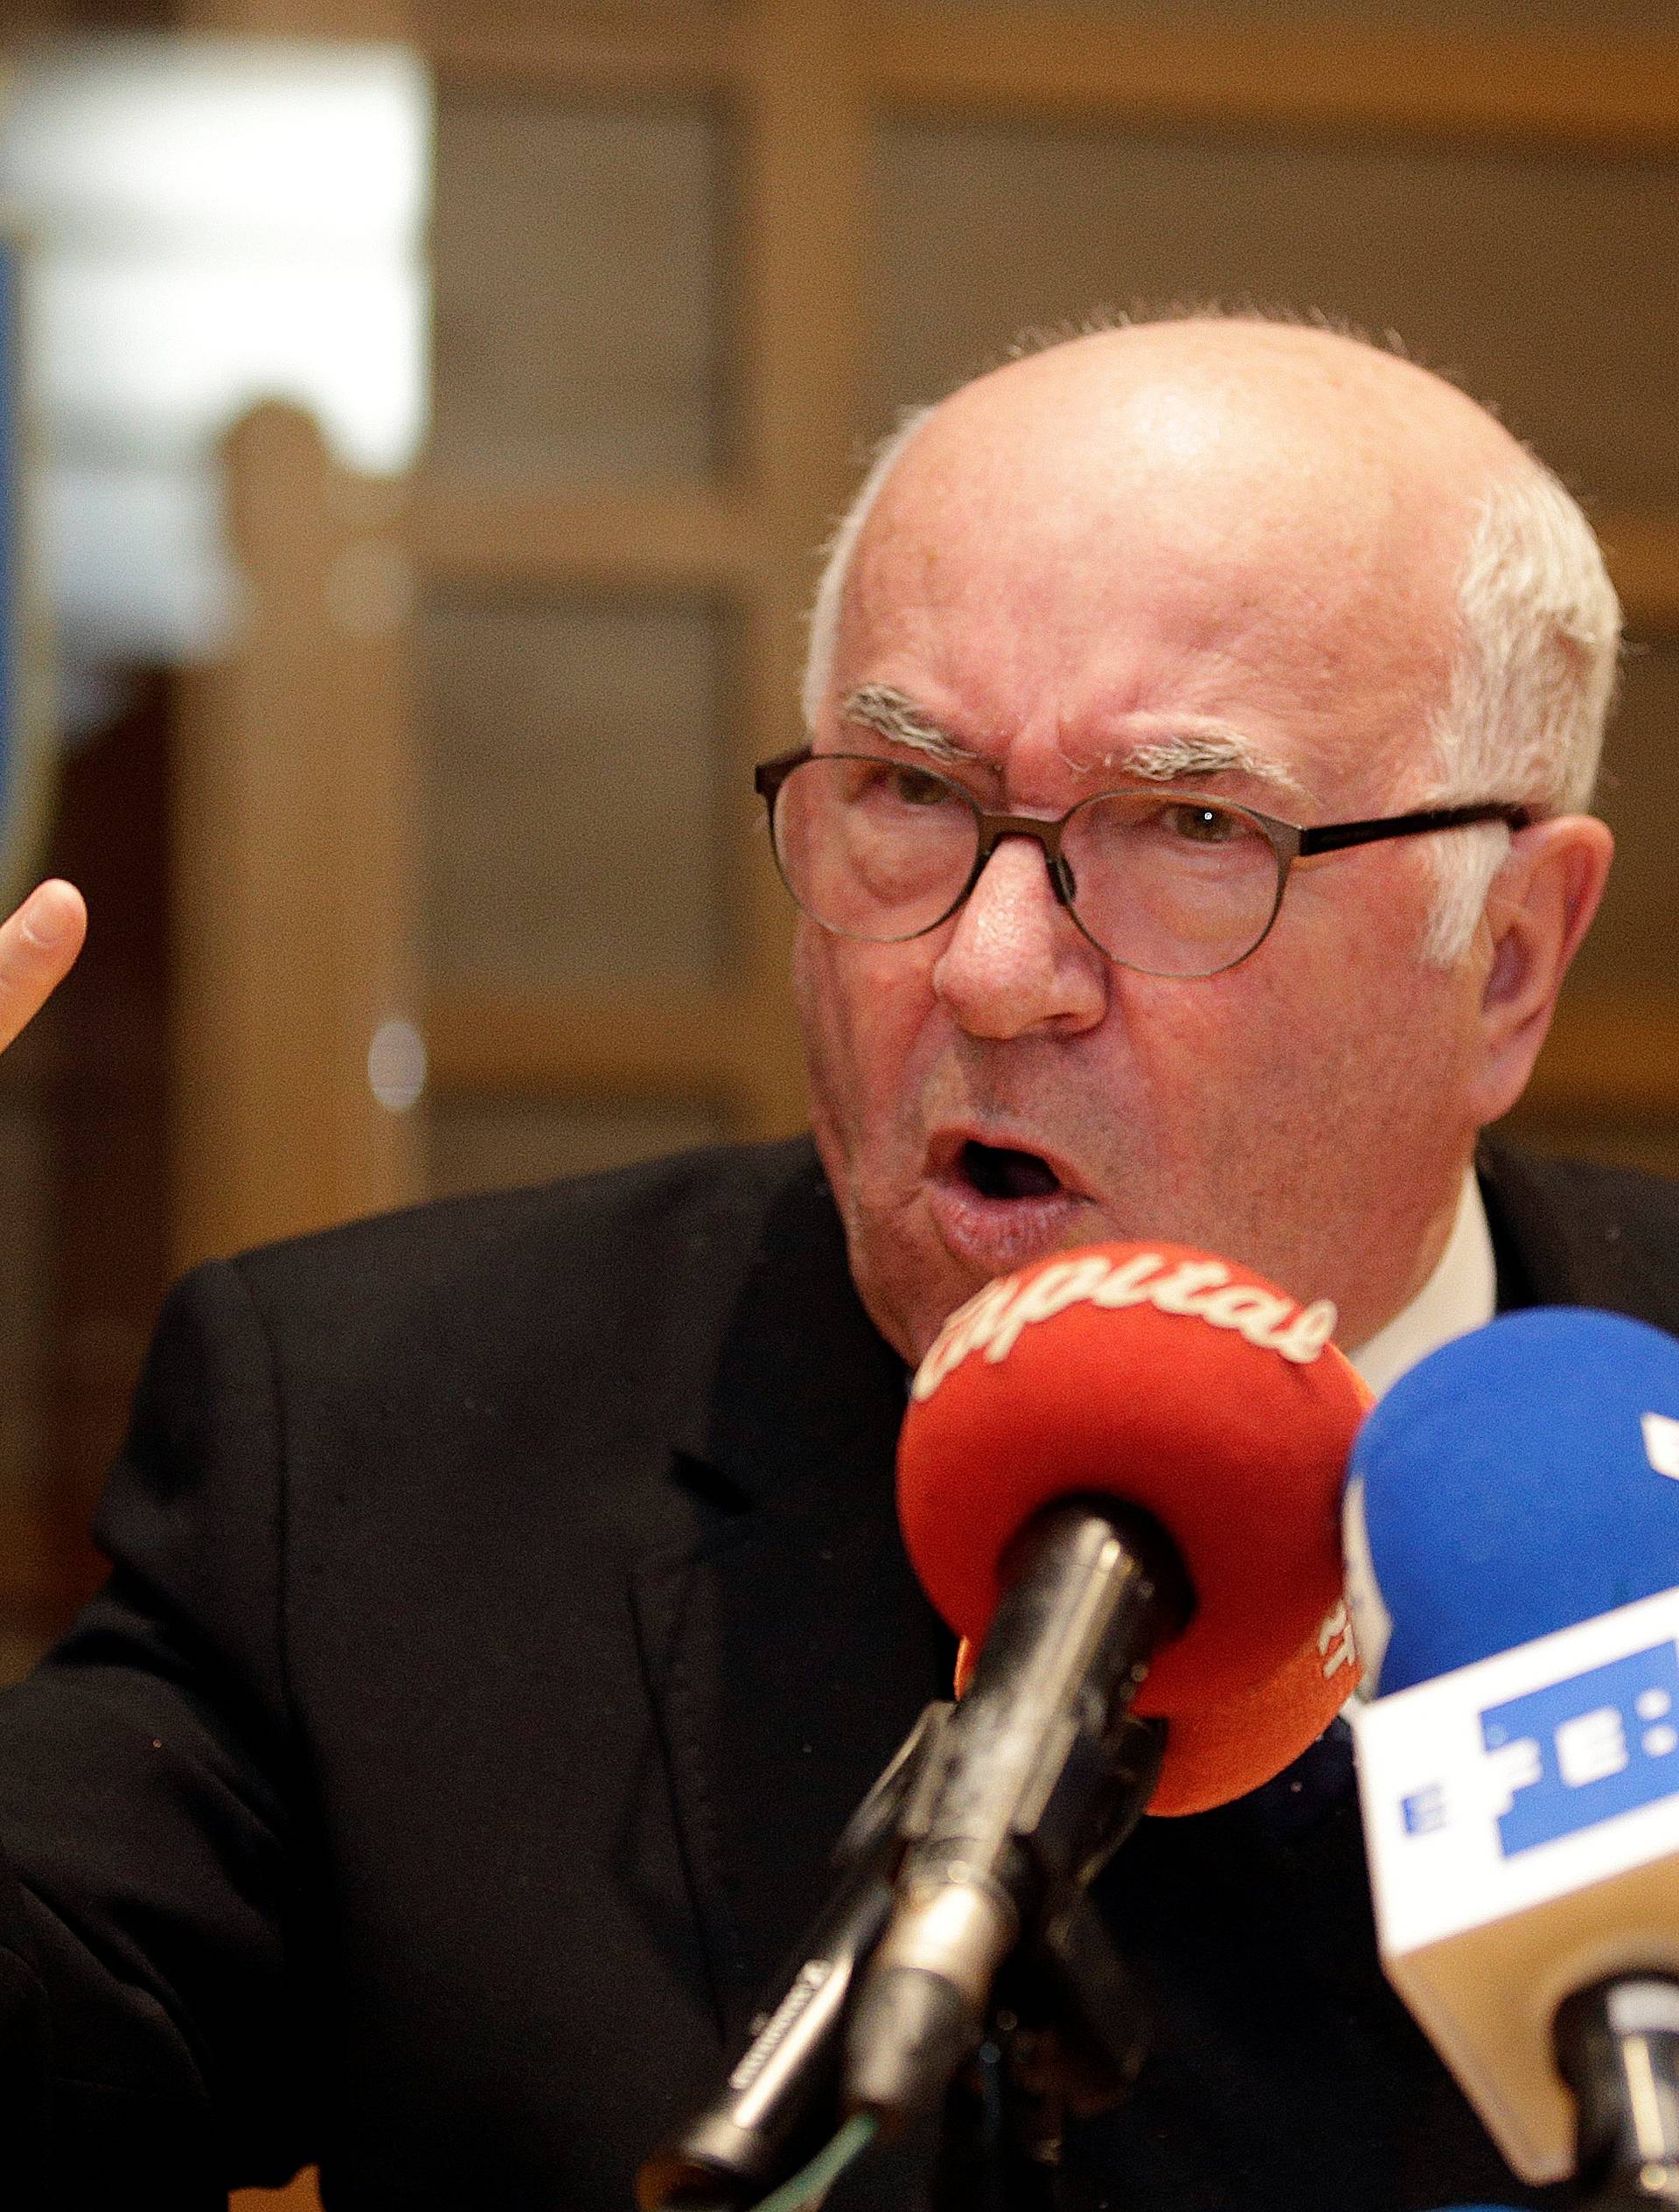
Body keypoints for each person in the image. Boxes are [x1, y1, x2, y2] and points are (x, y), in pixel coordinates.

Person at [1, 316, 1676, 2212]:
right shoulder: (385, 1453)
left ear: (1513, 956)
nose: (987, 965)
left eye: (1192, 825)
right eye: (906, 793)